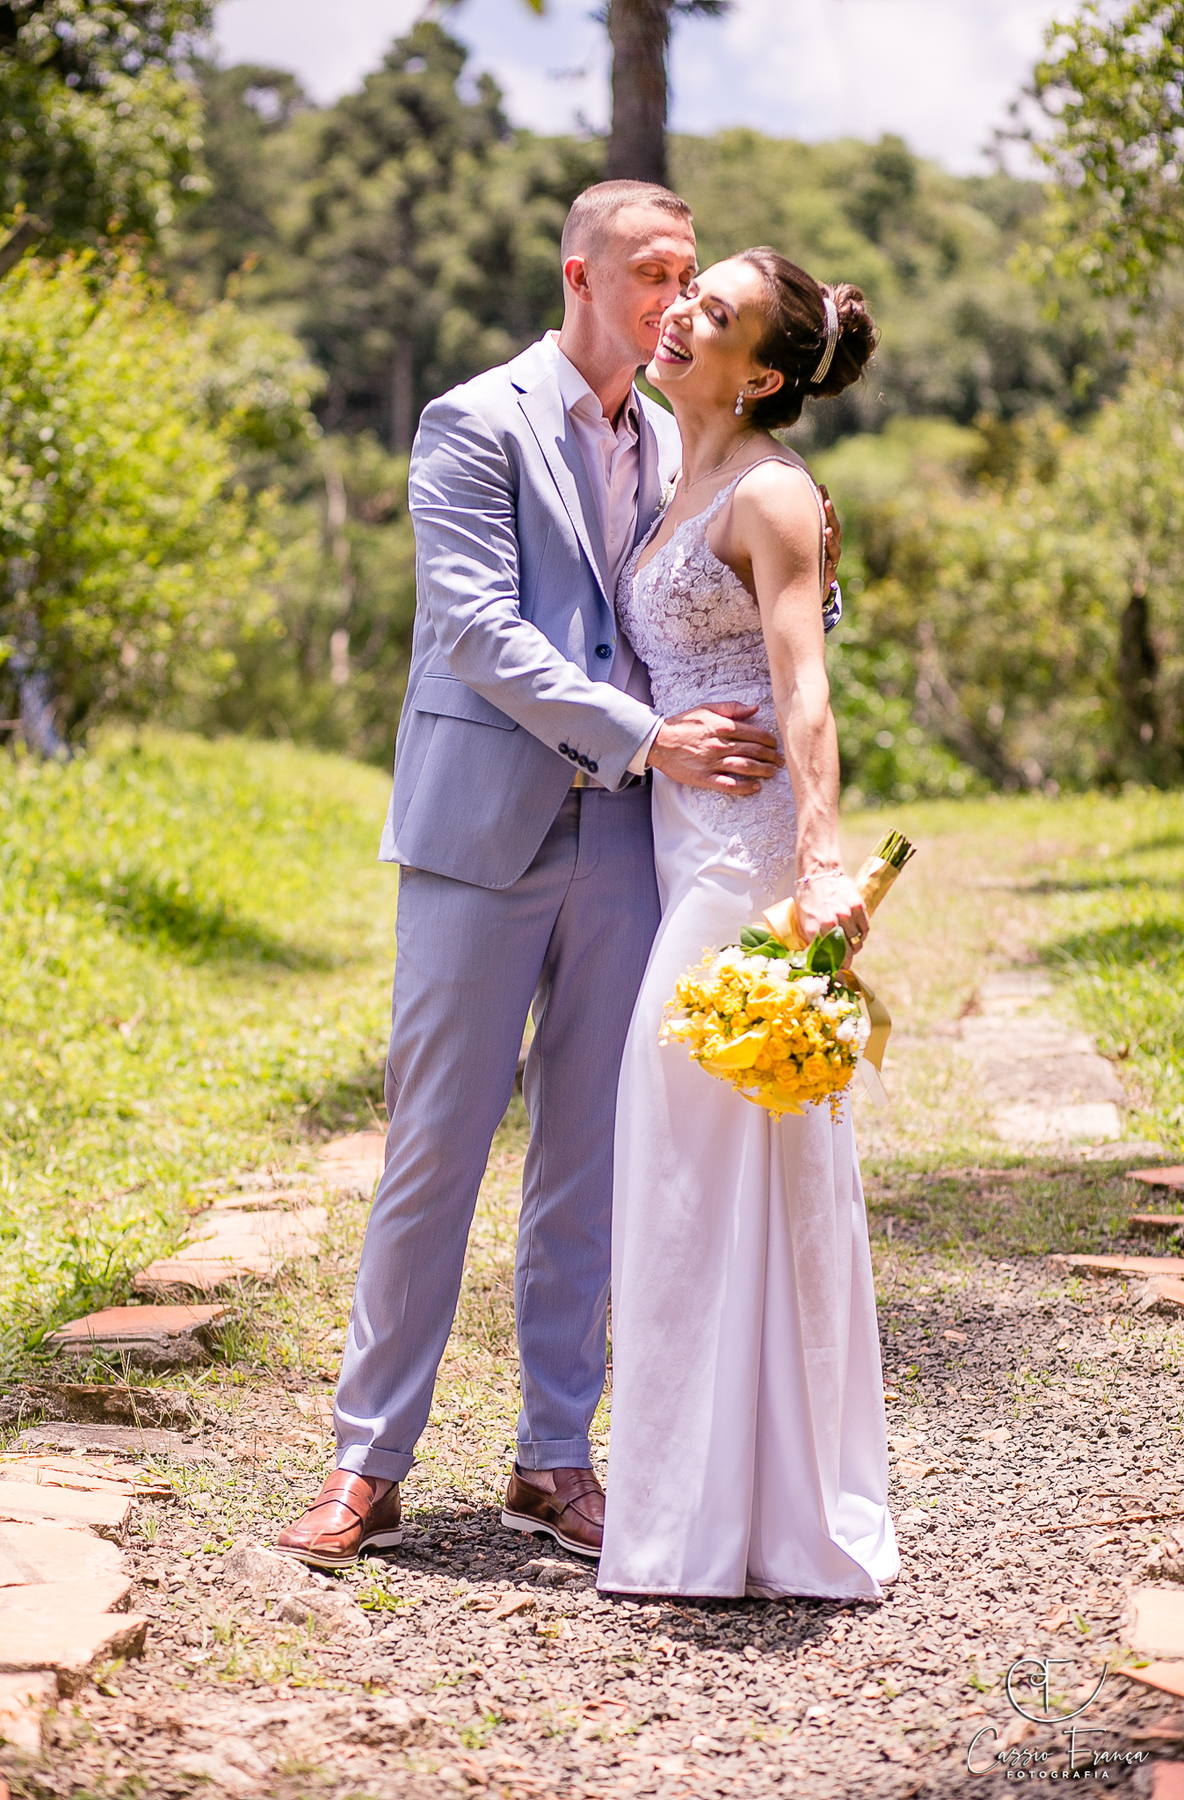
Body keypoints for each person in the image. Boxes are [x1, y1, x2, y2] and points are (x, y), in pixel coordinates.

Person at [275, 183, 843, 1571]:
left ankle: (553, 1455)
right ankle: (367, 1461)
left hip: (632, 852)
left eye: (693, 277)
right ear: (579, 274)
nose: (675, 298)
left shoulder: (685, 437)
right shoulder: (471, 420)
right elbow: (475, 628)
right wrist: (648, 736)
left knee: (588, 1159)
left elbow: (754, 599)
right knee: (436, 1151)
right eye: (654, 274)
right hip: (482, 837)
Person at [597, 249, 899, 1600]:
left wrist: (824, 867)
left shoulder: (769, 491)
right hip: (680, 851)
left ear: (763, 372)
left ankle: (745, 1522)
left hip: (747, 875)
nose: (678, 314)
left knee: (712, 1168)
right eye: (684, 295)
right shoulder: (674, 471)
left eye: (712, 313)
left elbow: (806, 689)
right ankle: (712, 1511)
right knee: (694, 1177)